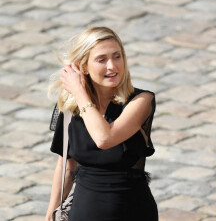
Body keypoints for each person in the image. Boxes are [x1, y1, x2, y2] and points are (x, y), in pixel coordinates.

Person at [45, 26, 158, 221]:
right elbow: (66, 166)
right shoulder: (71, 108)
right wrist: (50, 213)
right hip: (83, 213)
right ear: (84, 67)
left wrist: (80, 94)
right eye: (101, 59)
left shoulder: (141, 101)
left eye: (117, 56)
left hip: (131, 213)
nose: (112, 66)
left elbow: (104, 138)